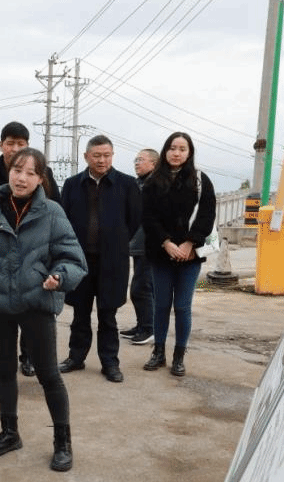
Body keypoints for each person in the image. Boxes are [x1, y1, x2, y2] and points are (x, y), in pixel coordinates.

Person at [0, 148, 86, 471]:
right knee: (4, 371)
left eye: (31, 173)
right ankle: (9, 433)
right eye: (18, 170)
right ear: (9, 172)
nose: (22, 178)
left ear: (41, 179)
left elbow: (73, 259)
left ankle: (62, 442)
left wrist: (59, 277)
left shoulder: (52, 212)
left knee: (49, 374)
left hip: (36, 302)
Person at [0, 122, 60, 375]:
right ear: (1, 145)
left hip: (32, 254)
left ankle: (28, 357)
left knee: (30, 306)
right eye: (10, 143)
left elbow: (56, 211)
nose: (15, 148)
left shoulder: (44, 173)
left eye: (21, 144)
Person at [58, 134, 140, 383]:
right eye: (97, 156)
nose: (102, 160)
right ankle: (76, 357)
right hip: (80, 262)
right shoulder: (72, 184)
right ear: (86, 157)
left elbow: (134, 221)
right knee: (80, 314)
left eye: (106, 155)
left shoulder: (127, 184)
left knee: (108, 316)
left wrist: (115, 241)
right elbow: (64, 219)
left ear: (112, 156)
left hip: (112, 262)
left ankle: (110, 363)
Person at [141, 132, 216, 377]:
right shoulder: (153, 181)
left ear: (189, 153)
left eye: (182, 149)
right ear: (165, 151)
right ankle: (158, 352)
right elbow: (148, 216)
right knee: (161, 305)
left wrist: (189, 243)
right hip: (161, 253)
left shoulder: (200, 180)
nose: (176, 153)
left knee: (182, 307)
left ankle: (179, 356)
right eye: (172, 148)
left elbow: (207, 214)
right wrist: (166, 242)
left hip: (190, 255)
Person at [122, 148, 158, 345]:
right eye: (135, 159)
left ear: (154, 164)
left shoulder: (156, 184)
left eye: (141, 160)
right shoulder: (139, 183)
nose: (137, 163)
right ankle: (142, 325)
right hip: (138, 245)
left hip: (149, 245)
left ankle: (149, 328)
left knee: (141, 287)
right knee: (140, 287)